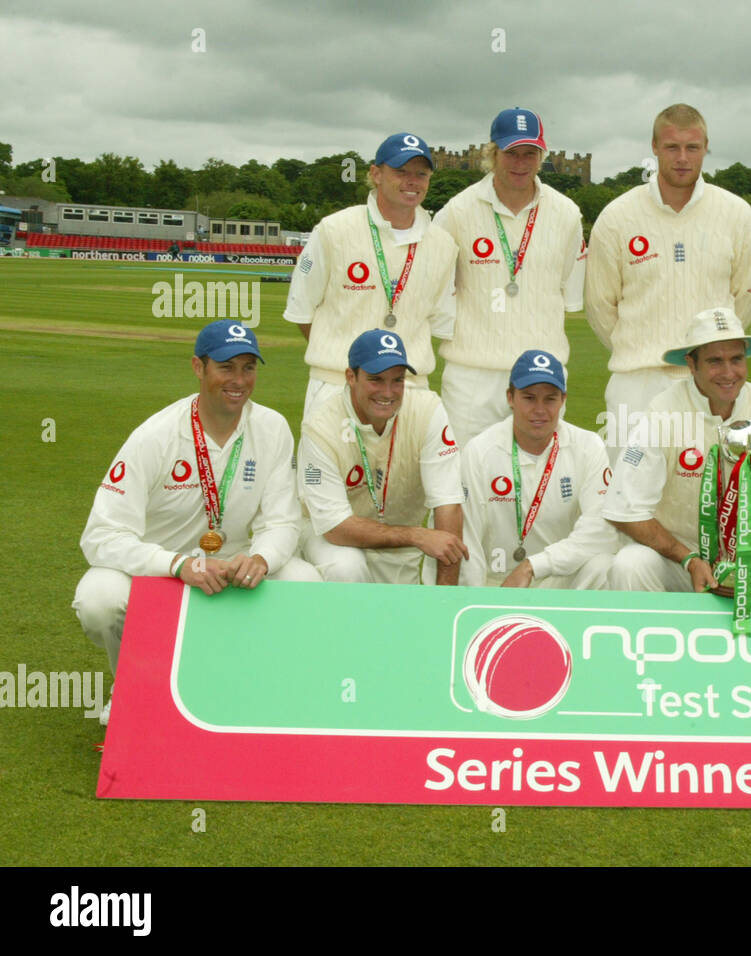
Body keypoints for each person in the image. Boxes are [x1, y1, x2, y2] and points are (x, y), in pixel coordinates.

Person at [74, 321, 321, 724]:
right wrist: (176, 564)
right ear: (198, 367)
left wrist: (260, 559)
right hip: (165, 570)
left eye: (248, 368)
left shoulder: (272, 428)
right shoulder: (155, 436)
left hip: (239, 566)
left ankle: (259, 684)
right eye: (226, 367)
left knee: (306, 582)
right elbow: (100, 536)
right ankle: (132, 685)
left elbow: (283, 522)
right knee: (99, 597)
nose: (238, 381)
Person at [603, 307, 751, 593]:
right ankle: (651, 637)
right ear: (691, 364)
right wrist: (688, 558)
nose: (729, 373)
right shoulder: (663, 412)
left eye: (737, 359)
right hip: (679, 559)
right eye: (715, 361)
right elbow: (624, 508)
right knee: (629, 565)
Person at [585, 104, 751, 445]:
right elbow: (599, 306)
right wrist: (640, 349)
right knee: (629, 495)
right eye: (672, 147)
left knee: (709, 492)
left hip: (710, 382)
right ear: (654, 147)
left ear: (705, 147)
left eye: (692, 148)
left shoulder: (737, 214)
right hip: (637, 382)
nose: (682, 158)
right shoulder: (617, 217)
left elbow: (744, 300)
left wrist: (708, 357)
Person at [432, 108, 586, 444]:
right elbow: (435, 291)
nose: (520, 163)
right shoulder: (456, 212)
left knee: (540, 485)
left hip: (543, 376)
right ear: (492, 153)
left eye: (529, 153)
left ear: (541, 156)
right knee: (466, 485)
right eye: (510, 153)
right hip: (472, 377)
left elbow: (567, 289)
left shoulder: (567, 215)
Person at [283, 132, 458, 419]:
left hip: (410, 391)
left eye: (421, 174)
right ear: (376, 174)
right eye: (401, 171)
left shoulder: (443, 245)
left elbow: (439, 321)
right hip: (337, 385)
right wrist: (348, 364)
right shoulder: (333, 230)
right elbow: (302, 311)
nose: (412, 181)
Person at [297, 330, 467, 585]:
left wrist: (446, 600)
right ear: (350, 377)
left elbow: (449, 504)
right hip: (326, 535)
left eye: (397, 380)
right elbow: (335, 527)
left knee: (398, 619)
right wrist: (416, 536)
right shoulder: (320, 427)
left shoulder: (428, 411)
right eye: (376, 380)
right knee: (347, 567)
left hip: (399, 549)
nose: (388, 392)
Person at [460, 349, 616, 589]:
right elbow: (468, 538)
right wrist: (477, 603)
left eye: (550, 399)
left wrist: (533, 566)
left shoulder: (587, 447)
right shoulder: (480, 451)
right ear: (510, 398)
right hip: (497, 584)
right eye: (529, 398)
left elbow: (602, 531)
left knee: (605, 566)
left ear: (563, 400)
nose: (540, 409)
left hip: (557, 576)